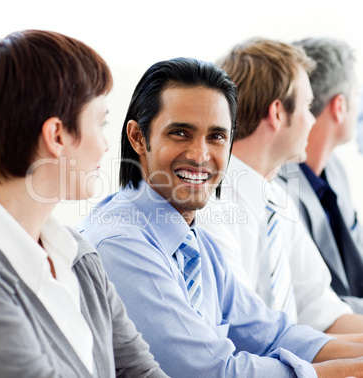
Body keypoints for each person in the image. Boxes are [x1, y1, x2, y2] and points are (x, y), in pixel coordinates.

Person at [78, 56, 363, 377]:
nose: (200, 155)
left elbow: (272, 334)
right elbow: (212, 372)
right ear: (138, 138)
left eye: (216, 136)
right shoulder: (122, 243)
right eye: (181, 133)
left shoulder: (194, 240)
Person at [0, 30, 166, 377]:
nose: (105, 145)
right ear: (57, 136)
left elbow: (139, 369)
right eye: (100, 123)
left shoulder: (78, 256)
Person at [199, 38, 363, 333]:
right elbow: (250, 334)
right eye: (309, 107)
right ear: (277, 113)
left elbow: (321, 309)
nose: (313, 120)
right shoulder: (209, 206)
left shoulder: (276, 199)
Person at [279, 38, 363, 313]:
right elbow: (311, 304)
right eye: (358, 96)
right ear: (340, 106)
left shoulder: (334, 168)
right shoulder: (277, 188)